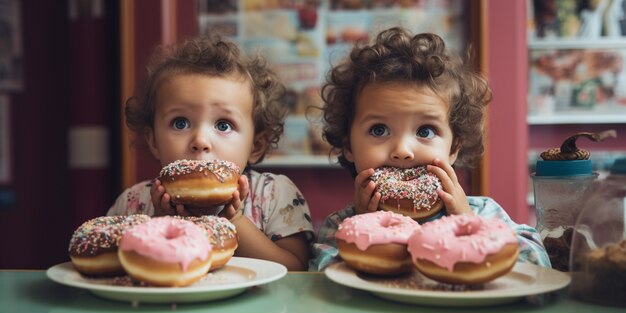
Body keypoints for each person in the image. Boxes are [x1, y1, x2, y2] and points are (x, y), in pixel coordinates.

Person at [309, 27, 550, 271]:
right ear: (349, 146)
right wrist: (363, 231)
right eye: (379, 130)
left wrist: (467, 224)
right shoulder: (341, 225)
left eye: (425, 131)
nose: (403, 150)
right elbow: (324, 284)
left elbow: (538, 267)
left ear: (454, 147)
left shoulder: (483, 214)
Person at [108, 34, 313, 271]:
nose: (200, 141)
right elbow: (120, 268)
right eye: (180, 123)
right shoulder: (134, 202)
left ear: (255, 146)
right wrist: (162, 222)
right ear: (153, 140)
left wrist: (234, 221)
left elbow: (296, 270)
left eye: (223, 125)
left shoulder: (275, 195)